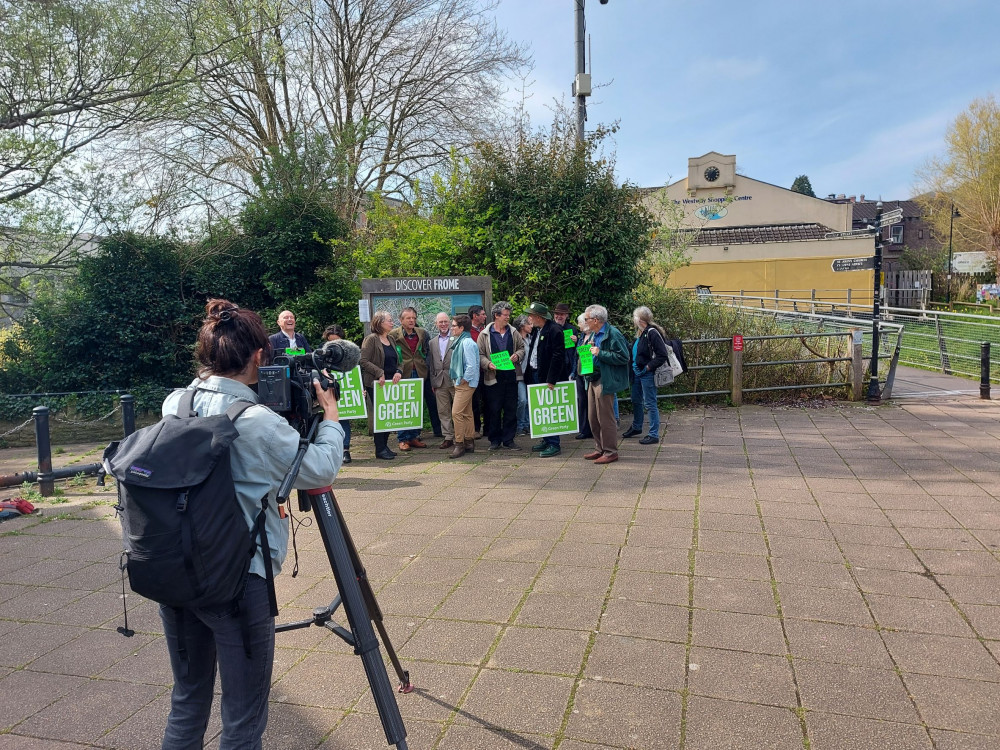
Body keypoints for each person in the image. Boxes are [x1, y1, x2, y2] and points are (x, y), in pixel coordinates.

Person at [159, 299, 342, 749]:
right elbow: (319, 469)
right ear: (259, 357)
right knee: (243, 716)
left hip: (175, 571)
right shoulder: (258, 421)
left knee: (187, 699)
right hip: (239, 581)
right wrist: (331, 418)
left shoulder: (174, 403)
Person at [582, 304, 630, 464]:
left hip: (605, 379)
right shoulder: (594, 334)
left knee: (605, 418)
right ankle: (599, 448)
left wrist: (600, 353)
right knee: (593, 417)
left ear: (596, 320)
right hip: (593, 377)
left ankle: (610, 451)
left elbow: (624, 357)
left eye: (587, 318)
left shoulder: (613, 334)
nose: (585, 321)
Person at [478, 301, 526, 450]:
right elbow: (479, 354)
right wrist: (487, 364)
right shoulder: (484, 334)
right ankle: (494, 440)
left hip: (511, 377)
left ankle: (509, 440)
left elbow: (522, 348)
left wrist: (517, 356)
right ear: (496, 316)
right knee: (494, 409)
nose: (508, 318)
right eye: (505, 315)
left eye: (508, 315)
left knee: (511, 408)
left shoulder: (513, 332)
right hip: (493, 378)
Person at [524, 302, 569, 457]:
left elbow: (558, 356)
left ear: (538, 317)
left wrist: (552, 379)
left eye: (531, 315)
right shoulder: (538, 330)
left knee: (550, 409)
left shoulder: (555, 330)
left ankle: (554, 443)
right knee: (541, 408)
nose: (529, 318)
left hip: (547, 377)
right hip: (536, 373)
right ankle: (546, 439)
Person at [387, 307, 432, 451]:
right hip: (402, 373)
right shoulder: (394, 335)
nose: (412, 320)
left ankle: (414, 436)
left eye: (414, 318)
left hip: (419, 372)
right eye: (408, 318)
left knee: (416, 405)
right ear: (401, 320)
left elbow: (426, 351)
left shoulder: (422, 333)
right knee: (403, 405)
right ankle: (403, 438)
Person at [360, 310, 402, 460]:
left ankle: (385, 446)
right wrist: (379, 372)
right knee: (380, 416)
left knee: (388, 415)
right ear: (379, 323)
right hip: (376, 384)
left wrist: (399, 371)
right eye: (389, 320)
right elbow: (363, 360)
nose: (392, 323)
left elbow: (399, 361)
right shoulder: (371, 339)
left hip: (391, 383)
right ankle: (380, 448)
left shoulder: (391, 339)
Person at [623, 306, 669, 445]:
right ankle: (637, 426)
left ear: (639, 319)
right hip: (638, 373)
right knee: (636, 399)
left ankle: (653, 434)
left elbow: (662, 355)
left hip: (647, 373)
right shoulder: (641, 333)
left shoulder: (652, 333)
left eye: (634, 317)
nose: (633, 319)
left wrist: (648, 367)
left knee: (650, 403)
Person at [449, 314, 481, 458]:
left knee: (456, 413)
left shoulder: (466, 342)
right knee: (467, 413)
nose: (452, 328)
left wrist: (464, 379)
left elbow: (472, 365)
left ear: (461, 328)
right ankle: (469, 442)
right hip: (464, 383)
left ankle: (459, 444)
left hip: (466, 384)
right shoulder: (461, 341)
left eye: (454, 326)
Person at [323, 324, 354, 463]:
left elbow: (355, 371)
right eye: (331, 341)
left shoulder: (350, 350)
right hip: (328, 389)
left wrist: (359, 391)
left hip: (345, 389)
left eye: (337, 341)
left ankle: (345, 450)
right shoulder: (321, 350)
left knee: (344, 418)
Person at [428, 311, 456, 449]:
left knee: (459, 410)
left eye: (445, 321)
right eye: (440, 322)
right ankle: (448, 436)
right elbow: (431, 363)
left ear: (449, 322)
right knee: (443, 411)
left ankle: (461, 436)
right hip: (439, 381)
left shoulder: (457, 338)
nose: (443, 324)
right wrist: (433, 381)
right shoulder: (432, 342)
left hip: (455, 379)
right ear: (436, 324)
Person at [467, 304, 489, 438]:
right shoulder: (467, 332)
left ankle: (488, 428)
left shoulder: (485, 330)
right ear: (475, 316)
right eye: (483, 314)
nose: (485, 317)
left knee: (488, 400)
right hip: (474, 373)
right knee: (474, 402)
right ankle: (475, 429)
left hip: (486, 371)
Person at [573, 312, 593, 441]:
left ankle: (590, 428)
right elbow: (577, 356)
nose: (578, 326)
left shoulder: (593, 337)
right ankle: (584, 428)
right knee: (582, 401)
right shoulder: (581, 337)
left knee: (589, 402)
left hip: (590, 374)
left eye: (580, 322)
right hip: (580, 373)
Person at [513, 314, 533, 436]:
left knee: (529, 401)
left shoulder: (531, 338)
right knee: (522, 400)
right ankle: (519, 425)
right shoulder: (515, 338)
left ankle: (527, 425)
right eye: (529, 324)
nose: (531, 326)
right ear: (522, 325)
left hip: (529, 373)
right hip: (519, 373)